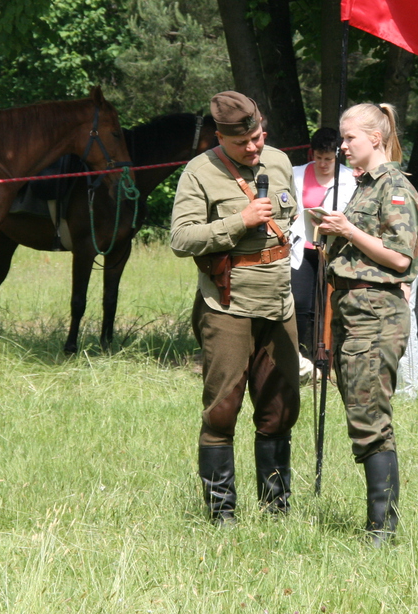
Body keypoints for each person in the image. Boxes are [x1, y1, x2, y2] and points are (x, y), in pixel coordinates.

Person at [170, 92, 301, 525]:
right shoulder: (200, 171)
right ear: (220, 136)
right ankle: (222, 516)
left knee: (281, 407)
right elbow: (182, 239)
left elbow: (290, 220)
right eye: (243, 142)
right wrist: (238, 222)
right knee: (222, 409)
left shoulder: (280, 162)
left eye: (258, 137)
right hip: (228, 304)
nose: (253, 148)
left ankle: (276, 510)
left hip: (279, 301)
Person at [315, 103, 418, 545]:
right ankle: (379, 523)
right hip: (350, 311)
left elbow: (401, 258)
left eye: (349, 139)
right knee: (360, 410)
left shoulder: (394, 187)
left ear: (375, 140)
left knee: (369, 417)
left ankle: (382, 530)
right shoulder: (363, 187)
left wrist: (348, 231)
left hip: (376, 316)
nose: (341, 146)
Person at [289, 127, 356, 370]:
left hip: (332, 251)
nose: (323, 164)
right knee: (300, 303)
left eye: (328, 159)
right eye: (318, 158)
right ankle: (298, 357)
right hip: (301, 249)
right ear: (312, 154)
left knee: (326, 306)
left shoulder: (350, 178)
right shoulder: (295, 175)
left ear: (337, 156)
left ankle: (324, 359)